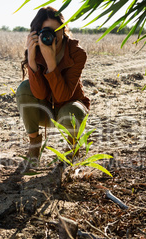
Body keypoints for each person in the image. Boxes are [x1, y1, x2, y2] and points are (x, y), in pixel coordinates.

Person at [16, 6, 90, 168]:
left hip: (69, 107)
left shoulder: (77, 53)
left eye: (57, 30)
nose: (53, 35)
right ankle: (34, 146)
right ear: (38, 33)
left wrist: (51, 63)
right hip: (46, 110)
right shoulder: (36, 50)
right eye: (46, 31)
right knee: (24, 89)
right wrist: (32, 60)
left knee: (72, 112)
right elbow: (39, 94)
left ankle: (74, 148)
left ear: (63, 30)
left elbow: (63, 96)